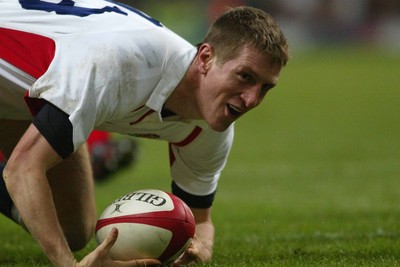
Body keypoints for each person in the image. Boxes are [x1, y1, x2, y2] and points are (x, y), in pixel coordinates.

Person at [0, 1, 289, 266]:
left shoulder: (213, 127)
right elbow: (24, 169)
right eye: (245, 77)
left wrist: (201, 246)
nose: (252, 100)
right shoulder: (117, 64)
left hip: (17, 90)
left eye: (265, 87)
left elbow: (201, 221)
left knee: (72, 228)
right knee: (30, 172)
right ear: (205, 57)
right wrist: (68, 264)